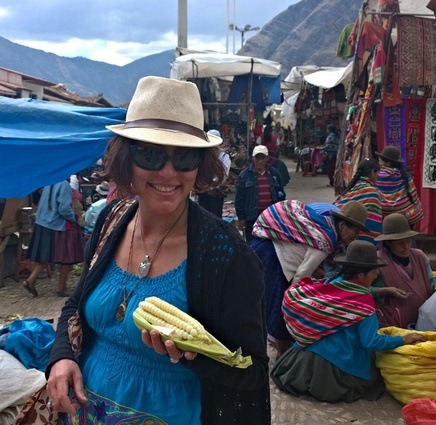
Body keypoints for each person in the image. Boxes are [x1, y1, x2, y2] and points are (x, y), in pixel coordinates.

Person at [45, 76, 270, 424]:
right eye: (149, 154)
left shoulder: (225, 256)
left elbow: (253, 369)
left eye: (185, 158)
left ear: (201, 165)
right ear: (126, 159)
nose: (168, 173)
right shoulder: (111, 220)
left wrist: (197, 352)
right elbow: (76, 302)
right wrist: (62, 356)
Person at [270, 240, 426, 403]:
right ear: (361, 275)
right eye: (373, 272)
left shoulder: (331, 284)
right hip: (333, 366)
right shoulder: (363, 301)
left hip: (303, 359)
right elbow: (371, 343)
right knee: (374, 379)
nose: (375, 277)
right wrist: (403, 339)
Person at [250, 199, 369, 359]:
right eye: (355, 231)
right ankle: (281, 357)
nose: (356, 236)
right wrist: (297, 302)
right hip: (272, 256)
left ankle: (281, 355)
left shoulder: (326, 222)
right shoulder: (326, 240)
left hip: (266, 248)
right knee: (280, 311)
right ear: (342, 226)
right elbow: (301, 275)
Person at [374, 213, 436, 329]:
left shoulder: (420, 257)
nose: (406, 246)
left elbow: (431, 283)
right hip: (392, 327)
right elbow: (363, 290)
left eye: (408, 241)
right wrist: (385, 290)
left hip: (424, 323)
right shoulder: (378, 261)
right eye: (400, 243)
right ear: (388, 243)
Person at [22, 180, 79, 297]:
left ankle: (30, 281)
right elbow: (63, 208)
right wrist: (74, 217)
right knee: (66, 256)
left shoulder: (50, 182)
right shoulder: (64, 185)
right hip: (55, 224)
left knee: (45, 256)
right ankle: (61, 288)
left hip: (42, 222)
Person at [235, 145, 285, 243]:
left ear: (267, 158)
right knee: (253, 244)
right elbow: (239, 198)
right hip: (252, 218)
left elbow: (281, 194)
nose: (260, 161)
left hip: (271, 217)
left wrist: (281, 213)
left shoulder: (274, 173)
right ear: (253, 158)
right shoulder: (244, 175)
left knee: (271, 244)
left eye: (262, 157)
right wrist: (241, 218)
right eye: (257, 157)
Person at [335, 158, 385, 244]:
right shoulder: (372, 193)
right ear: (373, 172)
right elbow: (372, 226)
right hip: (355, 241)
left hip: (341, 237)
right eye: (378, 173)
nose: (378, 176)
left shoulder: (349, 190)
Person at [375, 145, 424, 226]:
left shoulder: (378, 176)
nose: (379, 164)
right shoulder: (405, 176)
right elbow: (413, 198)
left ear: (388, 163)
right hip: (405, 222)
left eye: (380, 162)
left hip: (385, 224)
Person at [197, 129, 232, 218]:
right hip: (203, 191)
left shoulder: (224, 157)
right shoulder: (202, 155)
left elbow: (223, 176)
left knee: (215, 217)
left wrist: (209, 184)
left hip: (216, 192)